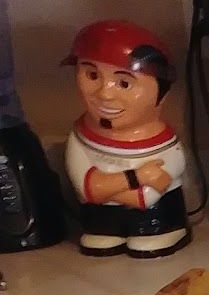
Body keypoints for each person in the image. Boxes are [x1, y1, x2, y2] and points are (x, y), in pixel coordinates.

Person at [63, 19, 190, 257]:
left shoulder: (164, 145)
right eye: (92, 75)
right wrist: (136, 177)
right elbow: (86, 188)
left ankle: (161, 232)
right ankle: (109, 231)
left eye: (124, 83)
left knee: (154, 217)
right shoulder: (80, 136)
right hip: (100, 219)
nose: (105, 93)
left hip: (155, 217)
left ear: (162, 92)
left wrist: (103, 188)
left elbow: (147, 198)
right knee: (100, 231)